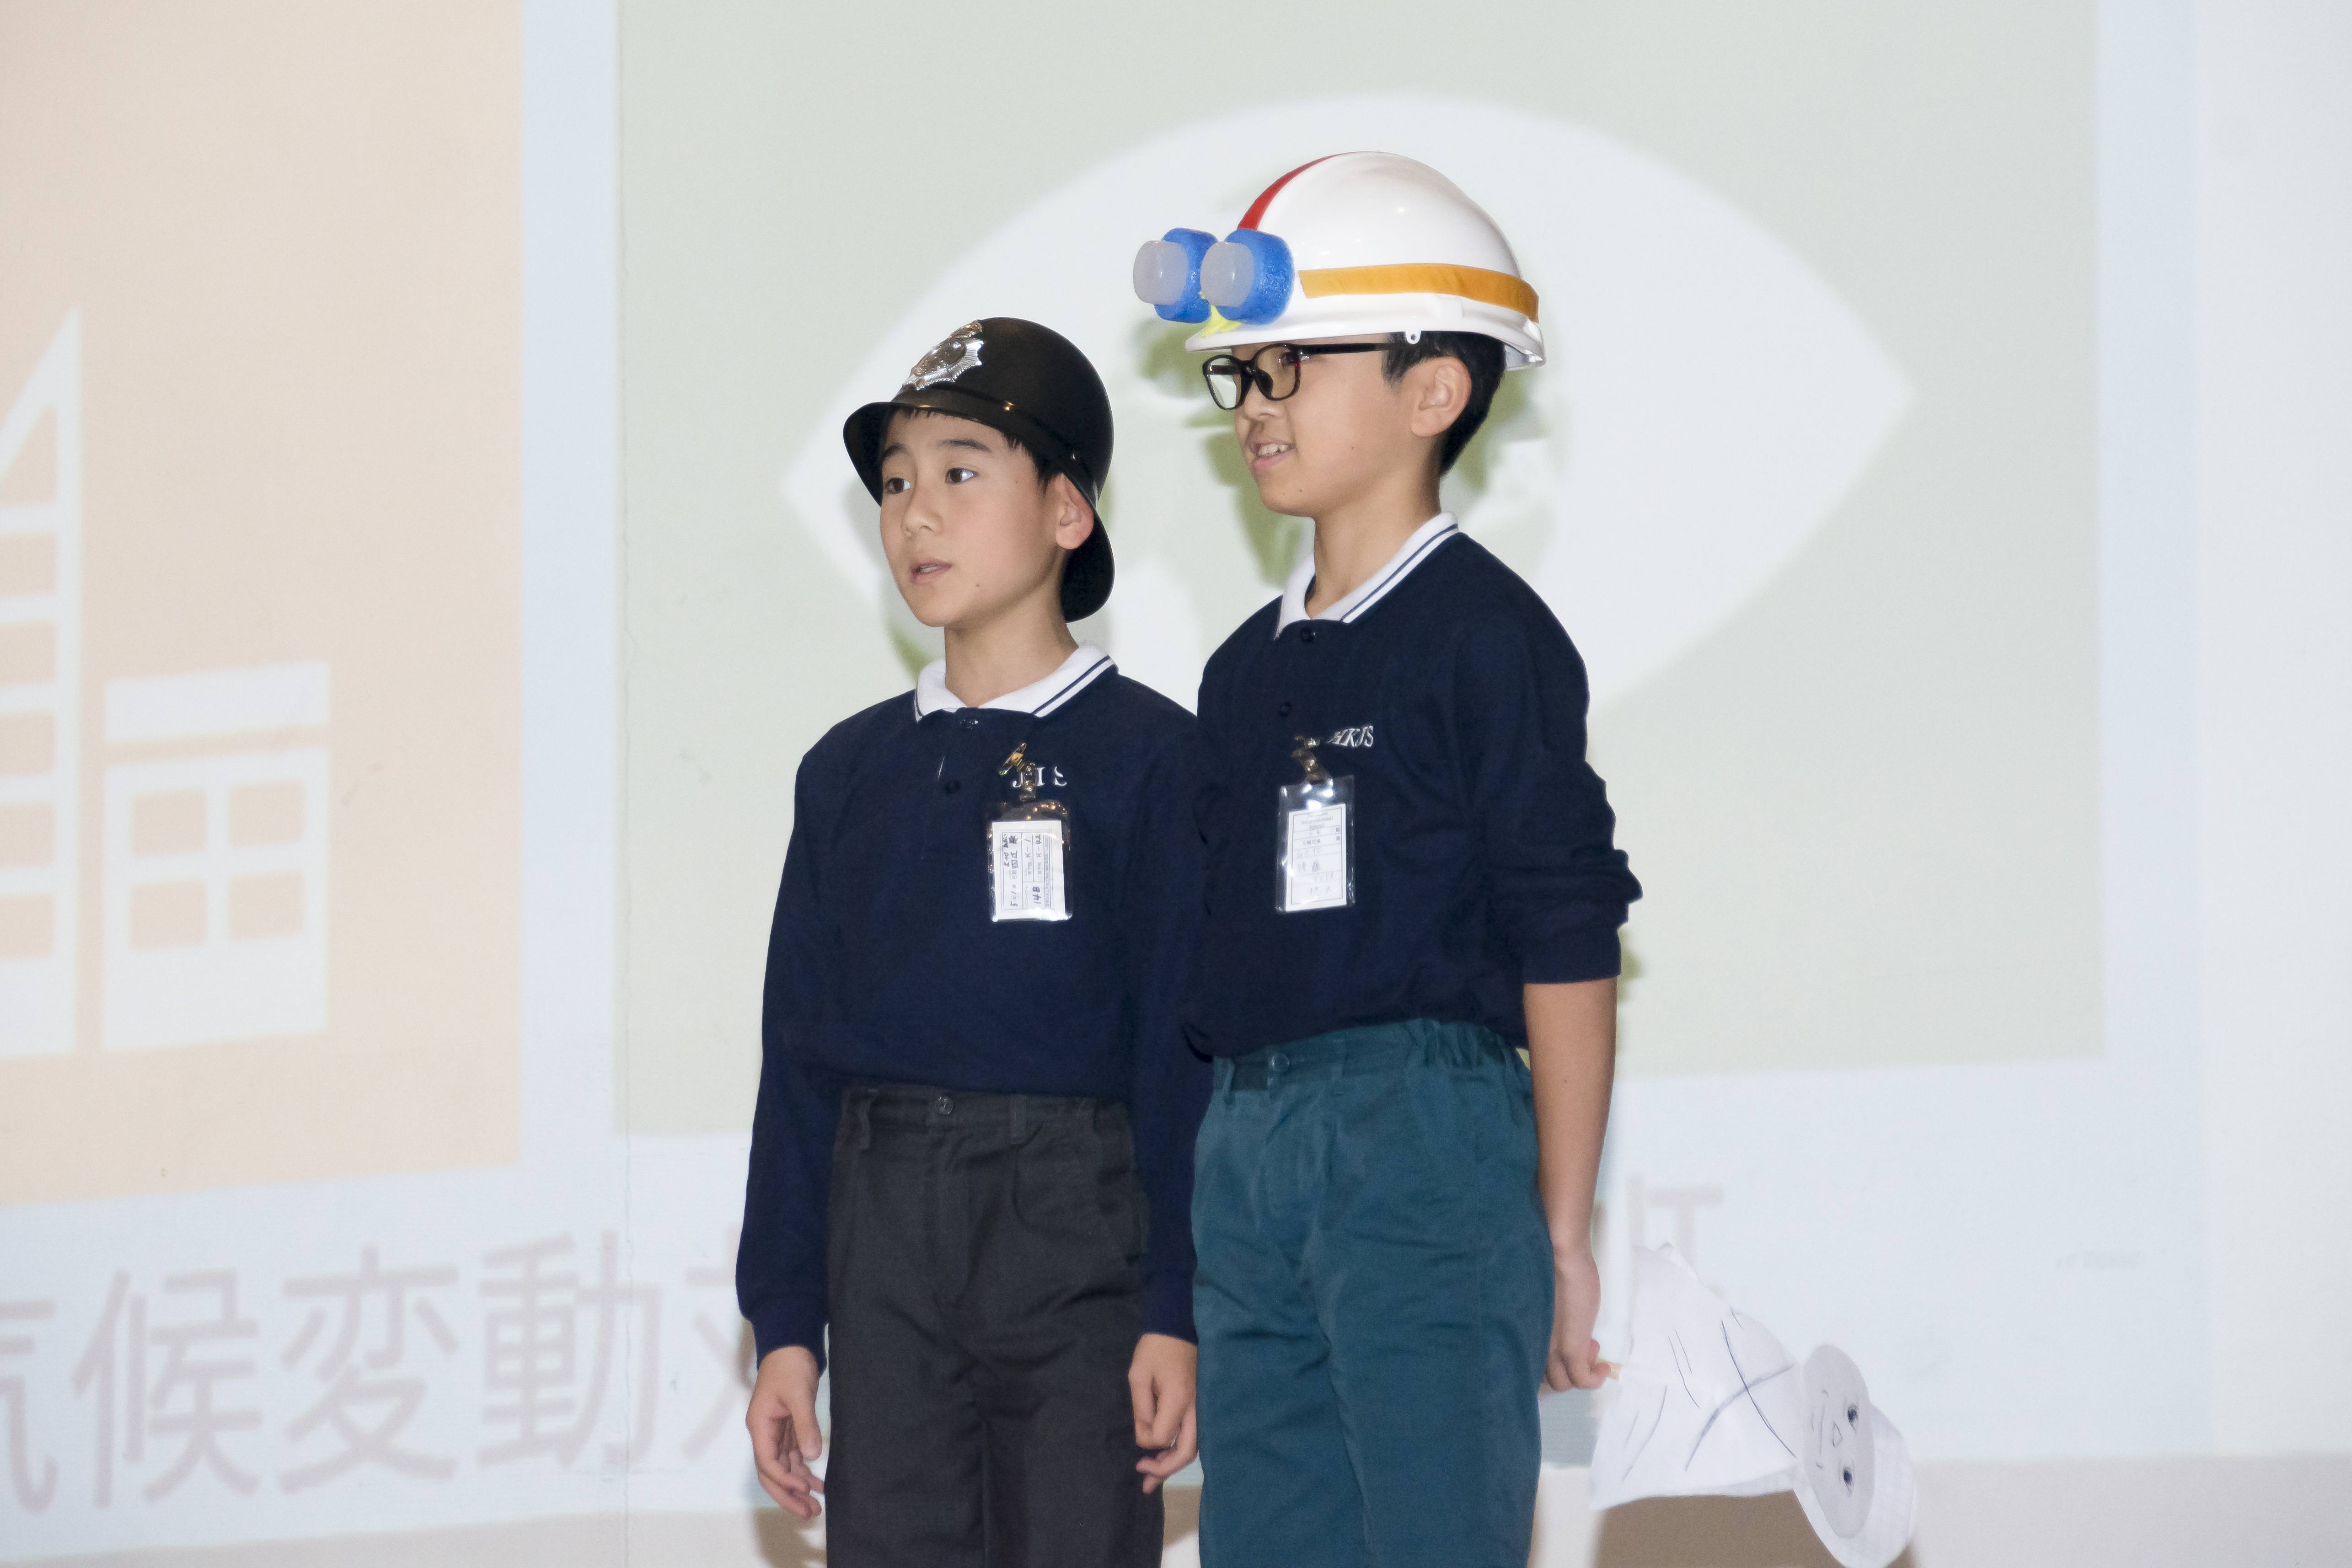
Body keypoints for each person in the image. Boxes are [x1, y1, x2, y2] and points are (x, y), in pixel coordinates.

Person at [1131, 153, 1644, 1568]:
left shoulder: (1485, 635)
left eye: (1294, 368)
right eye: (1243, 374)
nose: (1257, 405)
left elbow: (1566, 931)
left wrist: (1561, 1231)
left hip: (1420, 1138)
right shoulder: (1241, 673)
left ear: (1435, 393)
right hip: (1249, 1144)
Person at [736, 317, 1210, 1567]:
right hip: (884, 1232)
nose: (917, 515)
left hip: (1076, 1229)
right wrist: (785, 1325)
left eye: (960, 472)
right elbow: (799, 1064)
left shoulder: (1154, 757)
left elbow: (1180, 1055)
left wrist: (1176, 1306)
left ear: (1067, 512)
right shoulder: (847, 773)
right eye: (894, 484)